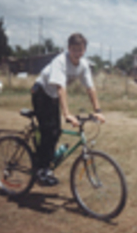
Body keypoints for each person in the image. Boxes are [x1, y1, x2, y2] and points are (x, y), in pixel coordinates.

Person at [31, 33, 105, 186]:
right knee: (49, 130)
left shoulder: (83, 65)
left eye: (81, 49)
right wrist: (67, 114)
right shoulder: (60, 61)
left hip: (52, 96)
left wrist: (98, 110)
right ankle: (41, 169)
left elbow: (90, 88)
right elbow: (60, 88)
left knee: (56, 131)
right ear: (69, 48)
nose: (78, 53)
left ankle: (45, 163)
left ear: (84, 50)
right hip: (41, 93)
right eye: (74, 49)